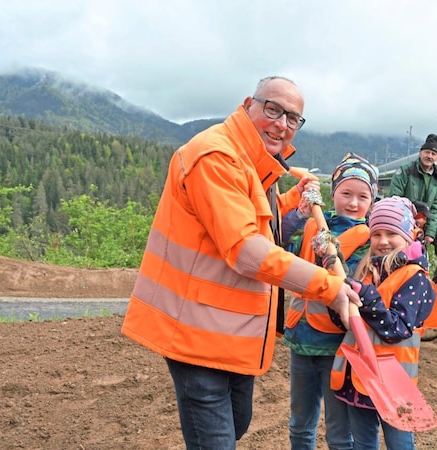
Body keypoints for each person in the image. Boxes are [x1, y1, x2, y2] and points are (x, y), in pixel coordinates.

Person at [120, 76, 360, 449]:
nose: (282, 124)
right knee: (216, 440)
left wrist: (290, 201)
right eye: (273, 109)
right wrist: (328, 287)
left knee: (237, 423)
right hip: (195, 329)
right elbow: (246, 248)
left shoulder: (253, 160)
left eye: (293, 118)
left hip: (227, 331)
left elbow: (253, 219)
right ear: (249, 103)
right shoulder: (216, 157)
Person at [325, 196, 437, 450]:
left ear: (409, 235)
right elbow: (346, 323)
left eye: (391, 233)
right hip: (359, 374)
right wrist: (337, 295)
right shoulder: (366, 271)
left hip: (394, 381)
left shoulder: (415, 278)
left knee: (399, 443)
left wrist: (364, 295)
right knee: (363, 442)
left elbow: (396, 328)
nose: (383, 241)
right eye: (376, 234)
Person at [281, 152, 378, 450]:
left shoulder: (370, 239)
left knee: (339, 432)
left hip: (338, 346)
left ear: (371, 202)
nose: (353, 202)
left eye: (362, 196)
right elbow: (280, 243)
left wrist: (331, 257)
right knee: (300, 424)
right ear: (332, 194)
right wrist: (299, 212)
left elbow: (358, 287)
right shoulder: (312, 225)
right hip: (302, 340)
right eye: (346, 193)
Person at [388, 134, 437, 341]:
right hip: (404, 226)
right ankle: (392, 312)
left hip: (423, 228)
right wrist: (401, 226)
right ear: (421, 153)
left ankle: (418, 319)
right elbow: (394, 198)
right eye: (427, 152)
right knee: (397, 266)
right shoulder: (406, 171)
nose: (429, 156)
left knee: (419, 271)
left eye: (433, 154)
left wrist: (430, 232)